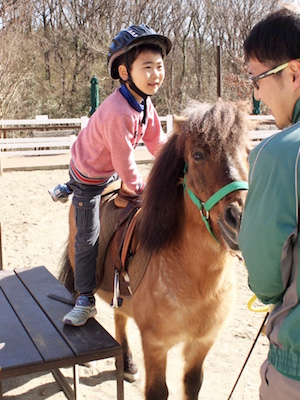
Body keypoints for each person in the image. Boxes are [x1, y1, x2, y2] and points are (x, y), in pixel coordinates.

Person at [49, 24, 171, 326]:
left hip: (105, 168)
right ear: (125, 72)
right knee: (87, 236)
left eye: (159, 66)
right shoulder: (119, 112)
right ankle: (86, 298)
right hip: (91, 174)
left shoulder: (144, 103)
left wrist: (176, 163)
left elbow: (157, 141)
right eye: (147, 67)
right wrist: (141, 187)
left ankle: (67, 186)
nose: (156, 74)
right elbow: (123, 160)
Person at [239, 8, 300, 400]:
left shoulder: (278, 154)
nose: (257, 94)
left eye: (257, 79)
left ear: (294, 74)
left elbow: (265, 280)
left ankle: (87, 292)